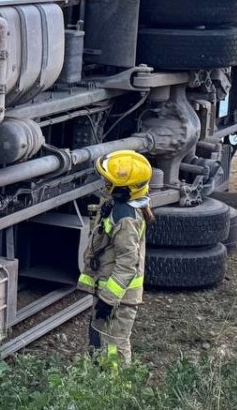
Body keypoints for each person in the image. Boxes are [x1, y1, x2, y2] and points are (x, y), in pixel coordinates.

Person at [77, 149, 154, 363]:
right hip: (108, 292)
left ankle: (117, 390)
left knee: (115, 348)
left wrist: (108, 301)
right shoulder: (119, 207)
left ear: (123, 189)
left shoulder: (126, 219)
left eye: (108, 180)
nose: (104, 183)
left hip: (120, 298)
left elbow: (128, 265)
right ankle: (98, 382)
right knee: (99, 341)